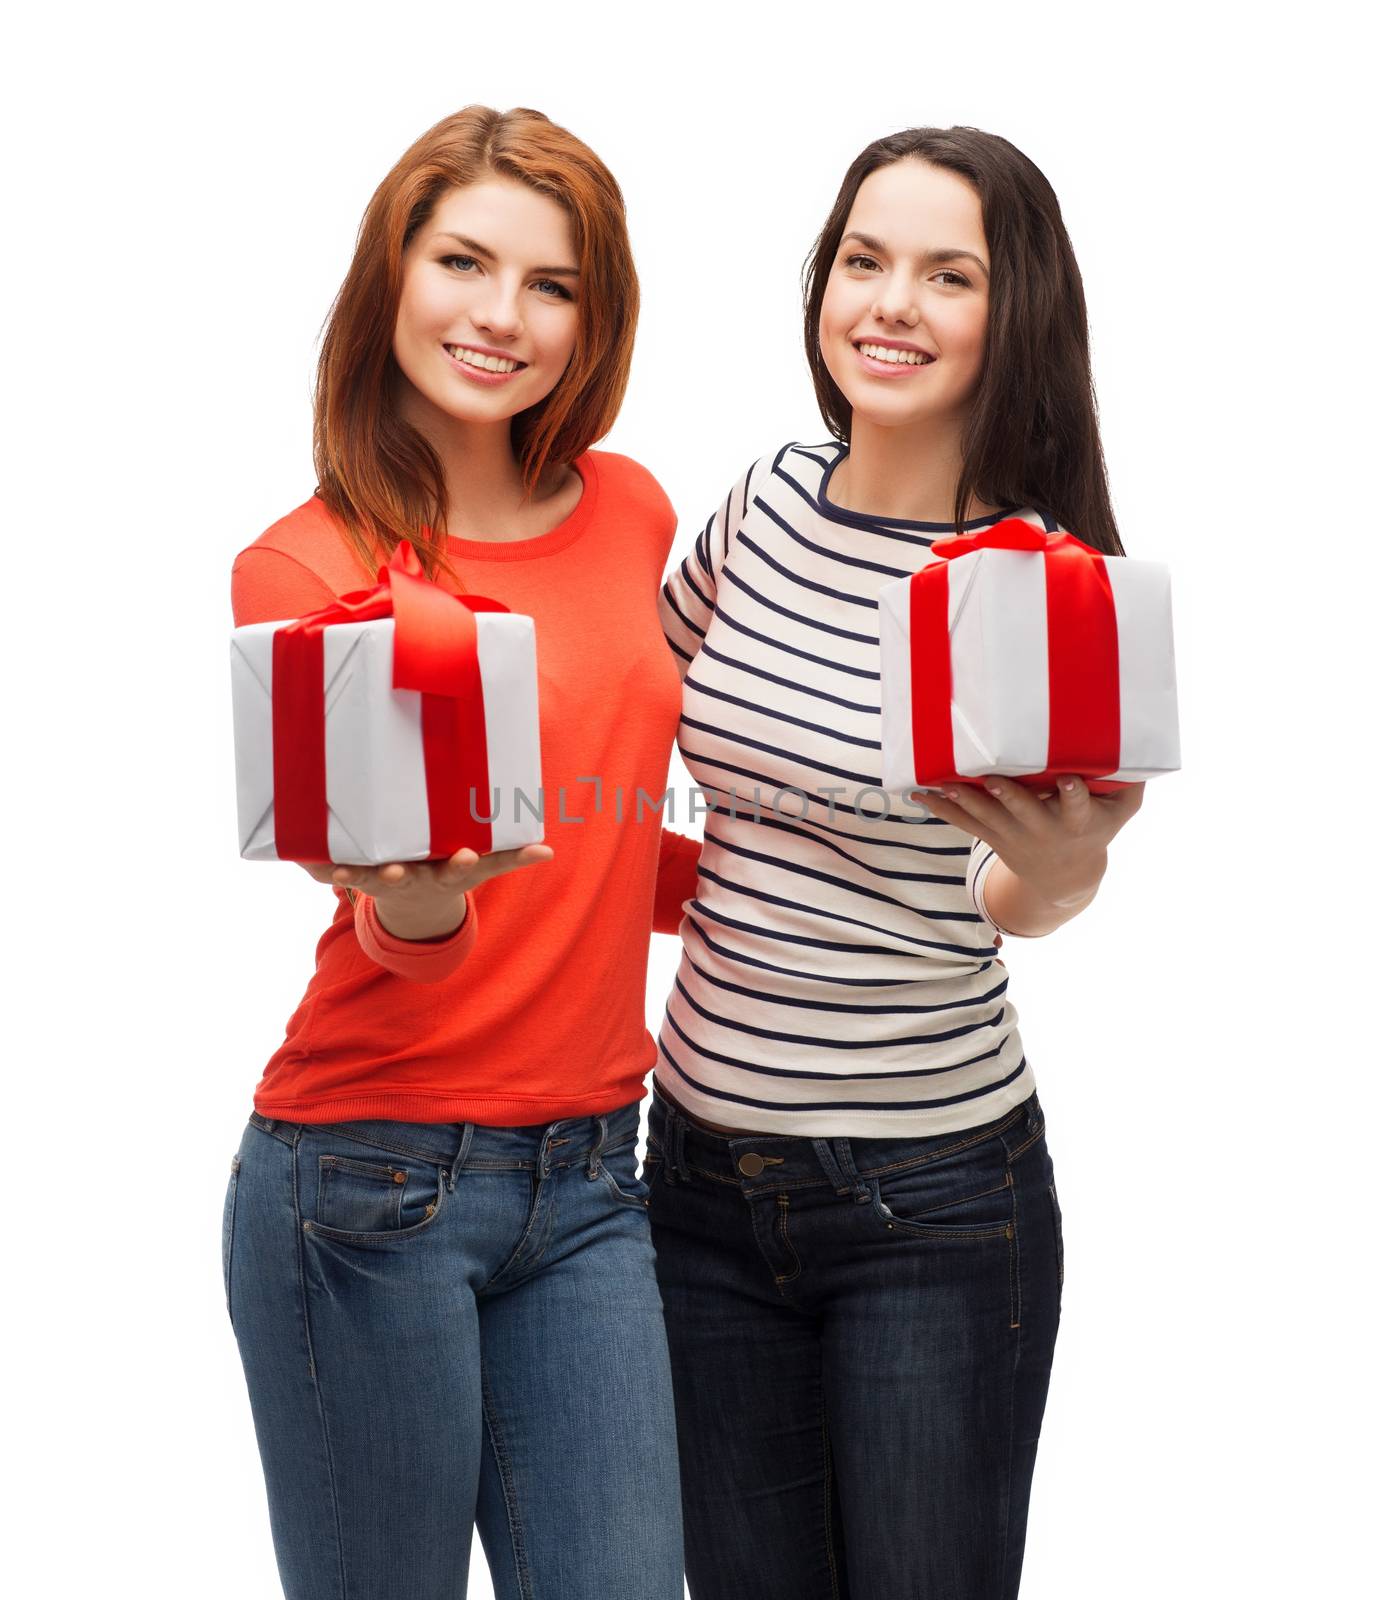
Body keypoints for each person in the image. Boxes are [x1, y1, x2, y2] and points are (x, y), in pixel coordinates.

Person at [650, 125, 1146, 1599]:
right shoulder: (763, 503)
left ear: (1017, 315)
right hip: (694, 1184)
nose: (891, 304)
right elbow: (625, 748)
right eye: (865, 260)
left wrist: (1060, 879)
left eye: (948, 275)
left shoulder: (1033, 581)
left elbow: (1012, 890)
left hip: (927, 1204)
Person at [221, 105, 694, 1600]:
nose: (500, 316)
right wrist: (423, 915)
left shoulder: (631, 511)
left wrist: (809, 867)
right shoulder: (306, 567)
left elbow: (604, 831)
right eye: (463, 262)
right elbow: (380, 907)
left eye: (551, 283)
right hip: (366, 1183)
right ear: (393, 275)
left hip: (595, 1176)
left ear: (593, 316)